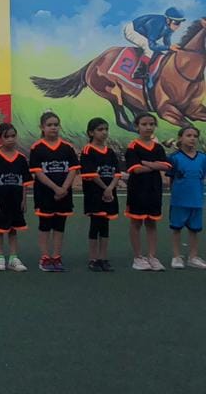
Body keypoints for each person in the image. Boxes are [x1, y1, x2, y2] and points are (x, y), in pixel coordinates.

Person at [29, 111, 79, 272]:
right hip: (45, 194)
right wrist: (55, 188)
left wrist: (64, 188)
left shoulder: (67, 147)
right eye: (49, 125)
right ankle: (45, 257)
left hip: (64, 194)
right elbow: (38, 172)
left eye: (56, 125)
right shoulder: (37, 148)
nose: (53, 128)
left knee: (59, 225)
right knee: (45, 225)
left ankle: (56, 256)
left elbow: (73, 169)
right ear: (42, 127)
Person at [126, 111, 171, 271]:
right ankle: (138, 257)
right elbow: (136, 169)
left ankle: (152, 256)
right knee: (136, 222)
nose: (148, 127)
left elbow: (166, 166)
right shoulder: (132, 147)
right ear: (137, 127)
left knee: (151, 223)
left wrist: (148, 164)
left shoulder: (158, 147)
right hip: (137, 190)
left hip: (154, 189)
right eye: (144, 124)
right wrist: (155, 165)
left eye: (151, 124)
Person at [79, 118, 121, 273]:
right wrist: (105, 188)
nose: (104, 132)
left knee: (105, 225)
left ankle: (103, 258)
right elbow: (90, 173)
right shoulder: (87, 150)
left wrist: (110, 188)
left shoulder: (110, 152)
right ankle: (93, 258)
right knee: (95, 224)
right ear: (91, 132)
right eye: (100, 129)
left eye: (106, 129)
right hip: (95, 194)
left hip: (109, 193)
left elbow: (117, 173)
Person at [0, 123, 30, 272]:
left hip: (16, 200)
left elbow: (25, 181)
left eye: (13, 136)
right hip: (1, 200)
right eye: (7, 137)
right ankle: (0, 257)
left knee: (13, 229)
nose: (11, 139)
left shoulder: (21, 159)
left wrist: (24, 200)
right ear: (0, 138)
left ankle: (13, 258)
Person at [123, 6, 186, 100]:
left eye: (180, 23)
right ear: (168, 20)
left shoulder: (169, 27)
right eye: (176, 22)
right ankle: (139, 71)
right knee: (148, 48)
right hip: (132, 30)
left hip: (144, 33)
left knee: (159, 51)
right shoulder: (156, 24)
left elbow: (167, 41)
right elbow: (152, 46)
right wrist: (169, 47)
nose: (178, 26)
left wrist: (171, 49)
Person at [168, 125, 206, 269]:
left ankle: (193, 257)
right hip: (179, 200)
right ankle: (176, 257)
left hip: (196, 200)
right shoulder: (174, 158)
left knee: (194, 230)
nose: (192, 139)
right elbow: (171, 179)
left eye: (195, 136)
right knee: (176, 228)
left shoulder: (202, 158)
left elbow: (202, 176)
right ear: (180, 138)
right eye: (188, 135)